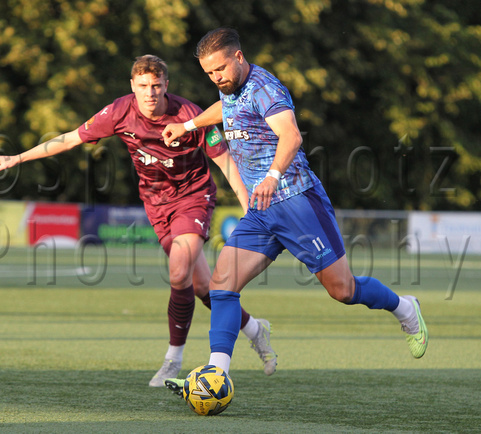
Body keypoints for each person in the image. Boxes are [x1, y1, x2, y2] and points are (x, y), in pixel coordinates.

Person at [0, 54, 277, 387]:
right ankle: (254, 328)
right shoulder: (119, 112)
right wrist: (15, 158)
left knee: (179, 270)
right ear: (132, 86)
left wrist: (251, 210)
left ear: (167, 86)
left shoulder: (191, 116)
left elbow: (226, 165)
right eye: (143, 86)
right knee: (202, 286)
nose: (150, 93)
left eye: (156, 86)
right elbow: (71, 138)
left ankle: (172, 360)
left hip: (194, 198)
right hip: (156, 205)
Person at [162, 28, 428, 393]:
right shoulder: (229, 89)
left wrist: (273, 175)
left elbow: (291, 135)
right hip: (261, 210)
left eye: (221, 69)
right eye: (209, 73)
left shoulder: (264, 88)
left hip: (297, 201)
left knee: (343, 290)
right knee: (222, 285)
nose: (216, 77)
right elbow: (223, 110)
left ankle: (404, 308)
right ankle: (215, 372)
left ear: (239, 57)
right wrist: (188, 124)